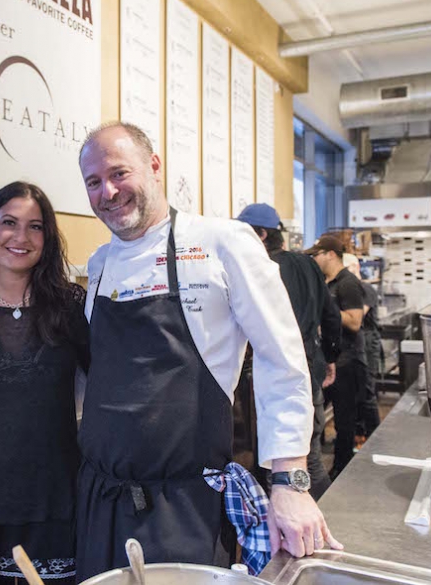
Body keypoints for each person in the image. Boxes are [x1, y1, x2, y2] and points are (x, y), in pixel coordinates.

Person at [75, 122, 341, 580]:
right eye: (94, 182)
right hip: (101, 498)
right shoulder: (99, 264)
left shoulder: (222, 243)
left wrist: (290, 481)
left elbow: (283, 360)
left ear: (154, 166)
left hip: (183, 506)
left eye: (120, 173)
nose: (108, 191)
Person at [0, 182, 89, 585]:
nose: (21, 238)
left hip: (52, 495)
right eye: (9, 223)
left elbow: (107, 389)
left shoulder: (71, 307)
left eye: (35, 226)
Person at [236, 203, 341, 500]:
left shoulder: (261, 270)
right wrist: (331, 359)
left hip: (276, 375)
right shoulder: (308, 264)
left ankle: (304, 524)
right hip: (311, 366)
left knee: (283, 463)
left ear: (261, 234)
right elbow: (330, 315)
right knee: (312, 455)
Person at [306, 236, 379, 478]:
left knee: (344, 419)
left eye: (316, 255)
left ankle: (342, 469)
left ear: (330, 254)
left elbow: (355, 321)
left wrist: (327, 313)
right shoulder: (326, 283)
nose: (314, 260)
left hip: (348, 361)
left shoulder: (347, 283)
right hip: (329, 359)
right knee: (318, 414)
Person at [344, 254, 383, 449]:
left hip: (367, 344)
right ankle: (358, 434)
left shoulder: (365, 289)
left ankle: (375, 437)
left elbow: (358, 315)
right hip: (355, 345)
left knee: (367, 392)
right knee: (355, 392)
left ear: (355, 268)